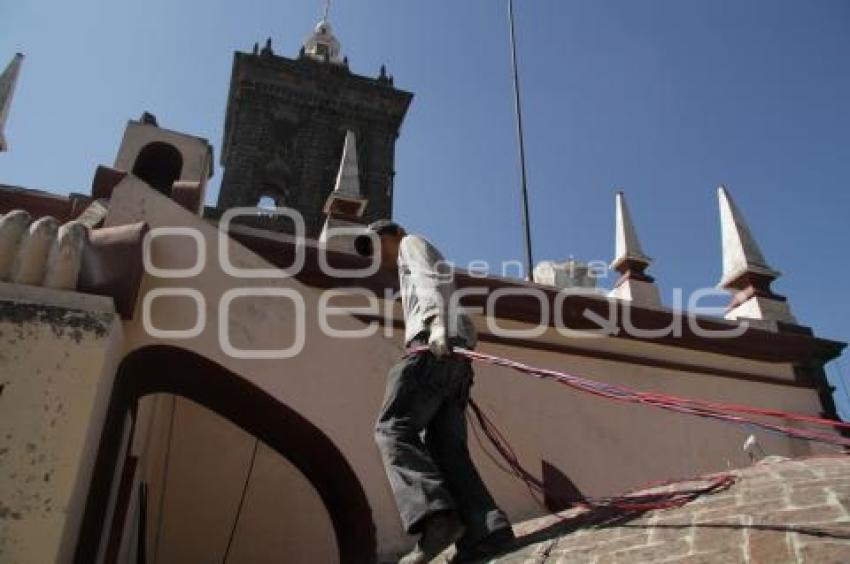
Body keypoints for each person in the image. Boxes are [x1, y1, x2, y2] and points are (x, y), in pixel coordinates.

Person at [355, 220, 515, 564]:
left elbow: (429, 281)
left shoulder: (411, 243)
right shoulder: (419, 256)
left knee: (392, 428)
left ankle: (437, 518)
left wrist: (435, 326)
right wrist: (457, 339)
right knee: (447, 448)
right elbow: (451, 299)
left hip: (430, 347)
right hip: (453, 358)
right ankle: (488, 531)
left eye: (374, 243)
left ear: (393, 233)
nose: (376, 255)